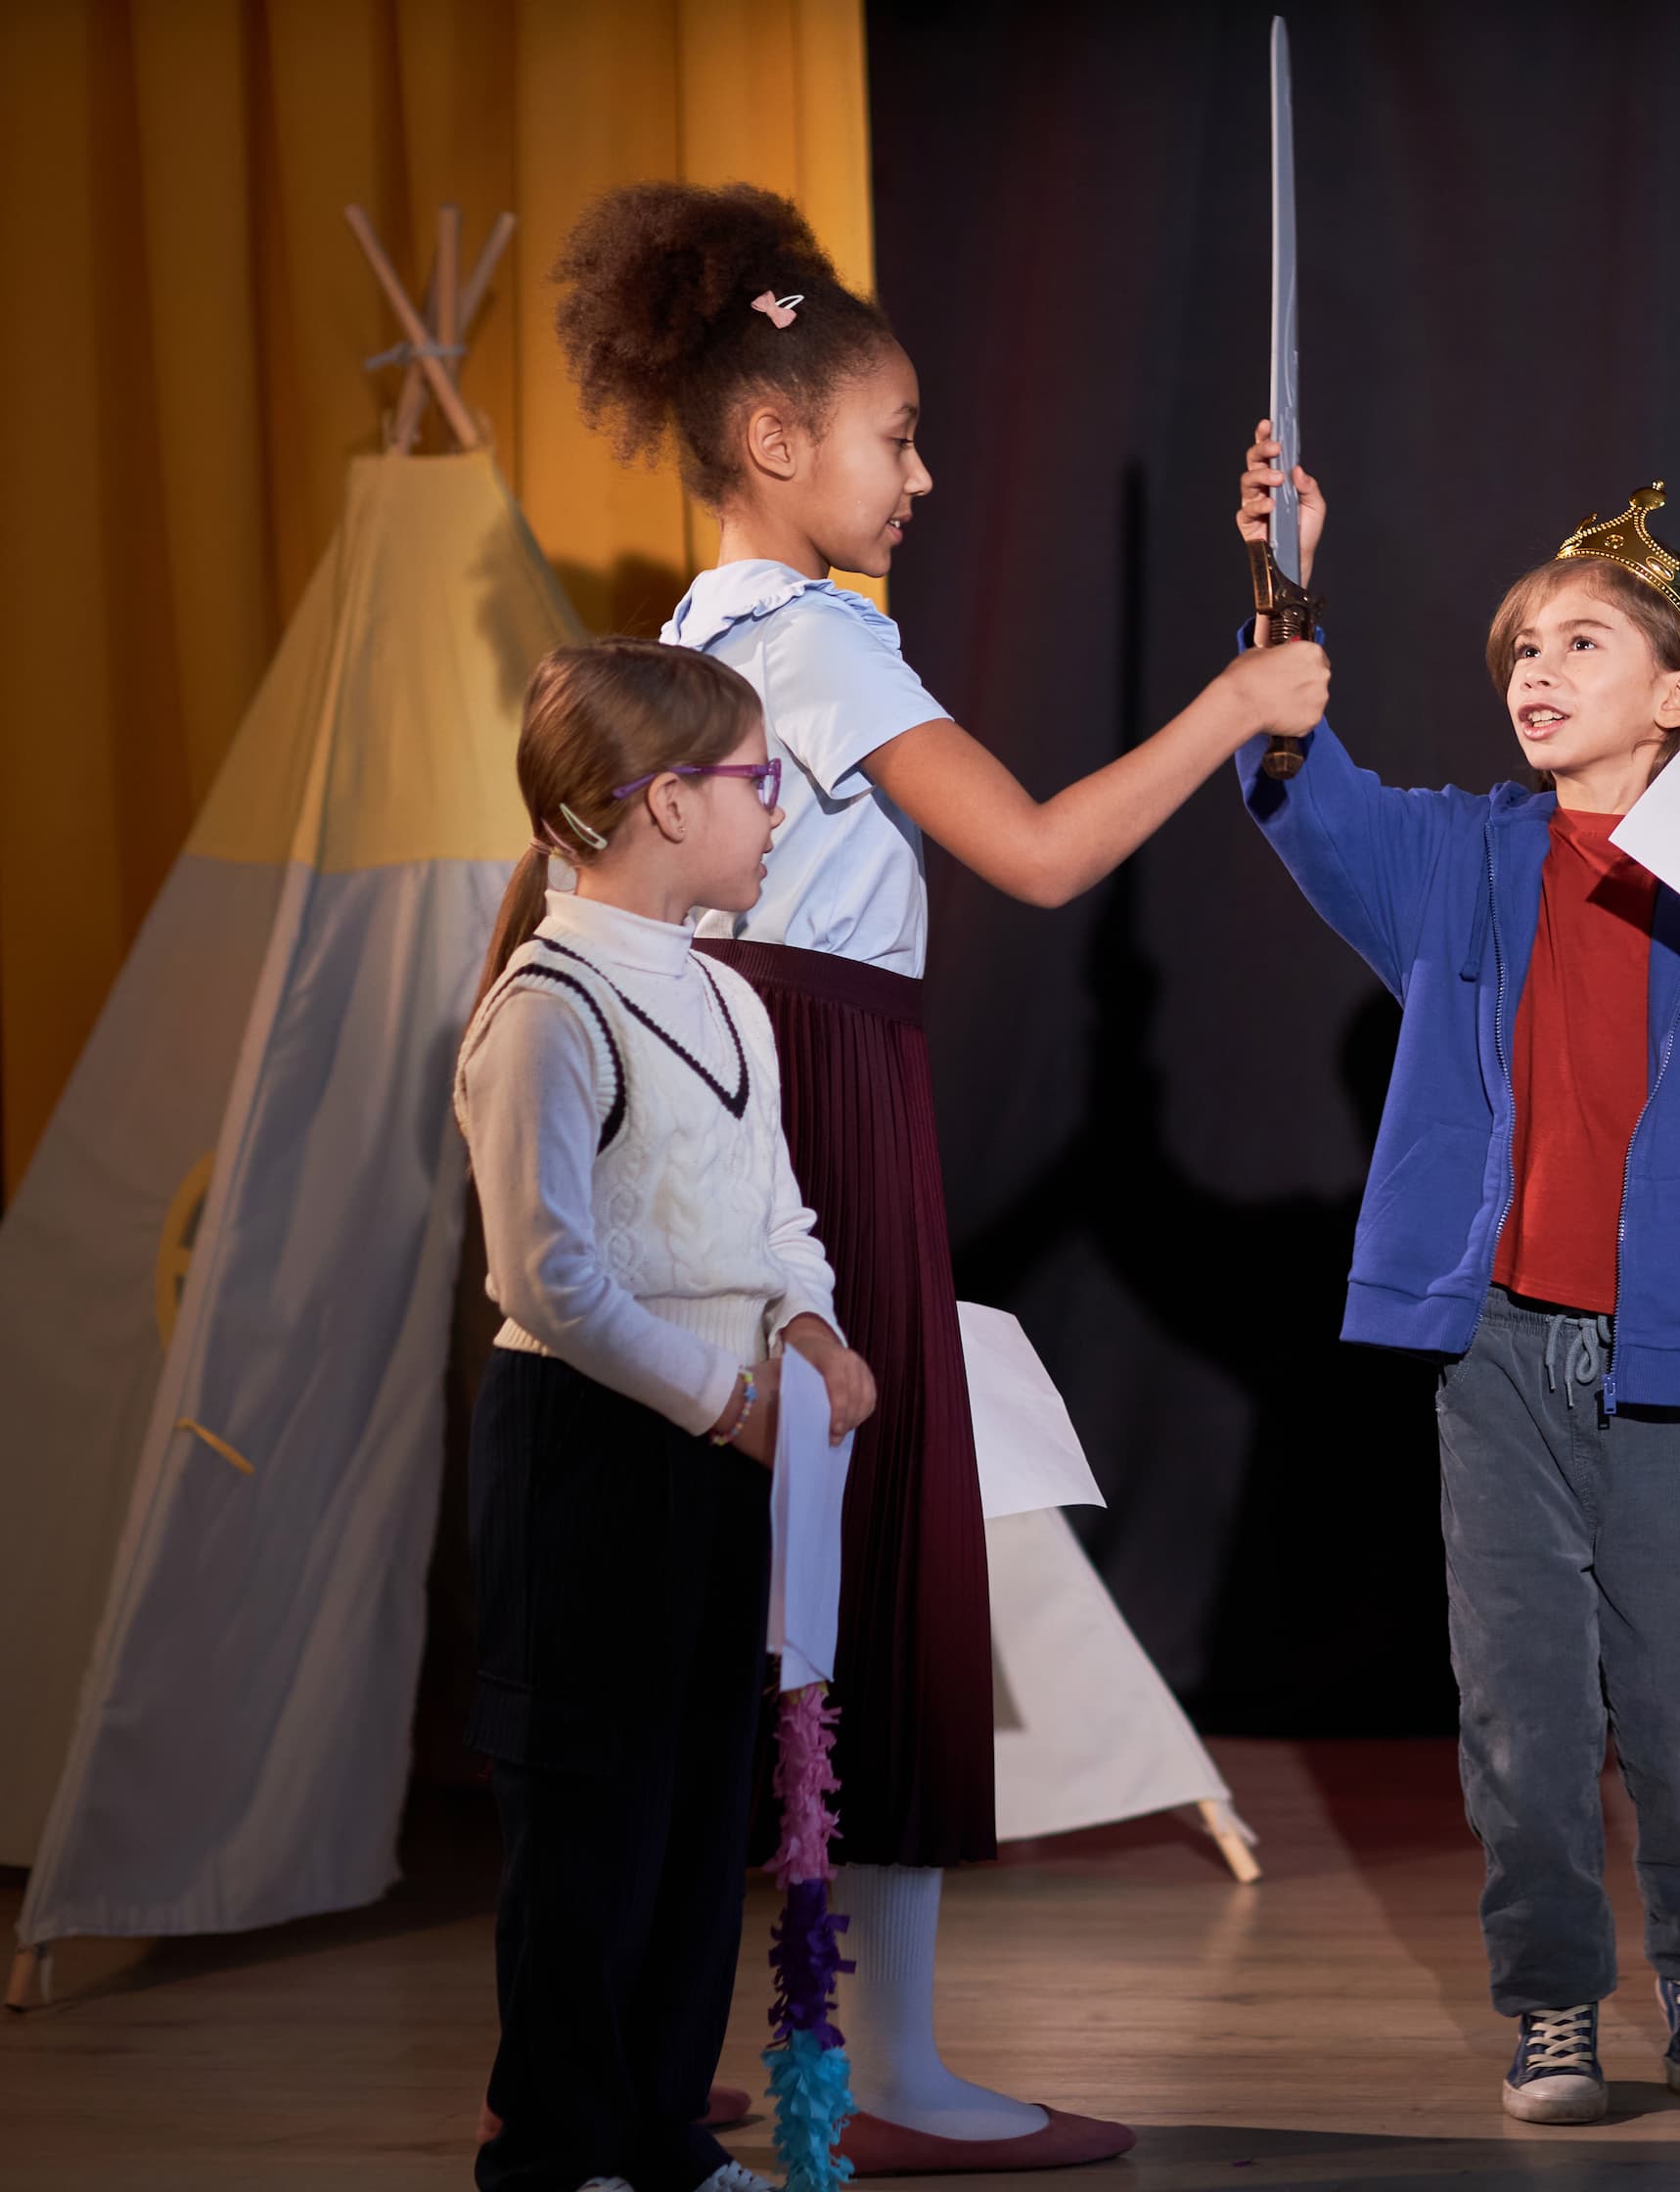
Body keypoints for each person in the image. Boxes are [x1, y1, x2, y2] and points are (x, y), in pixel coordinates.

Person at [551, 182, 1330, 2175]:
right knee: (873, 1580)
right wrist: (1244, 697)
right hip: (820, 1094)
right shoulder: (817, 643)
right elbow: (1052, 851)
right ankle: (879, 2060)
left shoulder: (688, 639)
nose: (924, 474)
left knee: (725, 1594)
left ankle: (624, 2050)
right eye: (897, 438)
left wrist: (1263, 599)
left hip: (699, 1096)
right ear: (777, 441)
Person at [1230, 433, 1680, 2124]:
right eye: (1520, 653)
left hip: (1670, 1355)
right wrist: (1285, 583)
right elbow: (1292, 767)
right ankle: (1554, 2001)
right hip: (1493, 1351)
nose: (1536, 674)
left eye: (1581, 646)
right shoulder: (1453, 861)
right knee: (1522, 1719)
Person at [456, 637, 878, 2192]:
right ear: (664, 805)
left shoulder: (730, 1001)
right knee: (594, 1825)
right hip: (589, 1454)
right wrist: (733, 1407)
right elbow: (550, 1276)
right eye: (761, 784)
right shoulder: (546, 1008)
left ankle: (664, 2134)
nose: (781, 813)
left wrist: (814, 1328)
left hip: (723, 1446)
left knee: (703, 1811)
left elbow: (776, 1218)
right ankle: (564, 2154)